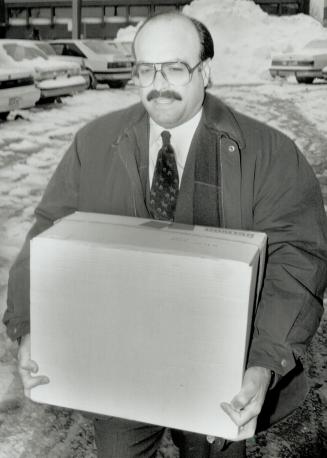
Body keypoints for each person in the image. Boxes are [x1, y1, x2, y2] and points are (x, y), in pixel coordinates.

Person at [3, 12, 327, 458]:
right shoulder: (93, 144)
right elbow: (46, 234)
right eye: (146, 68)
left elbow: (298, 260)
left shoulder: (269, 155)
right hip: (119, 366)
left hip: (222, 375)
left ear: (205, 71)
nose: (159, 83)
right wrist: (29, 327)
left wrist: (263, 363)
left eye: (176, 67)